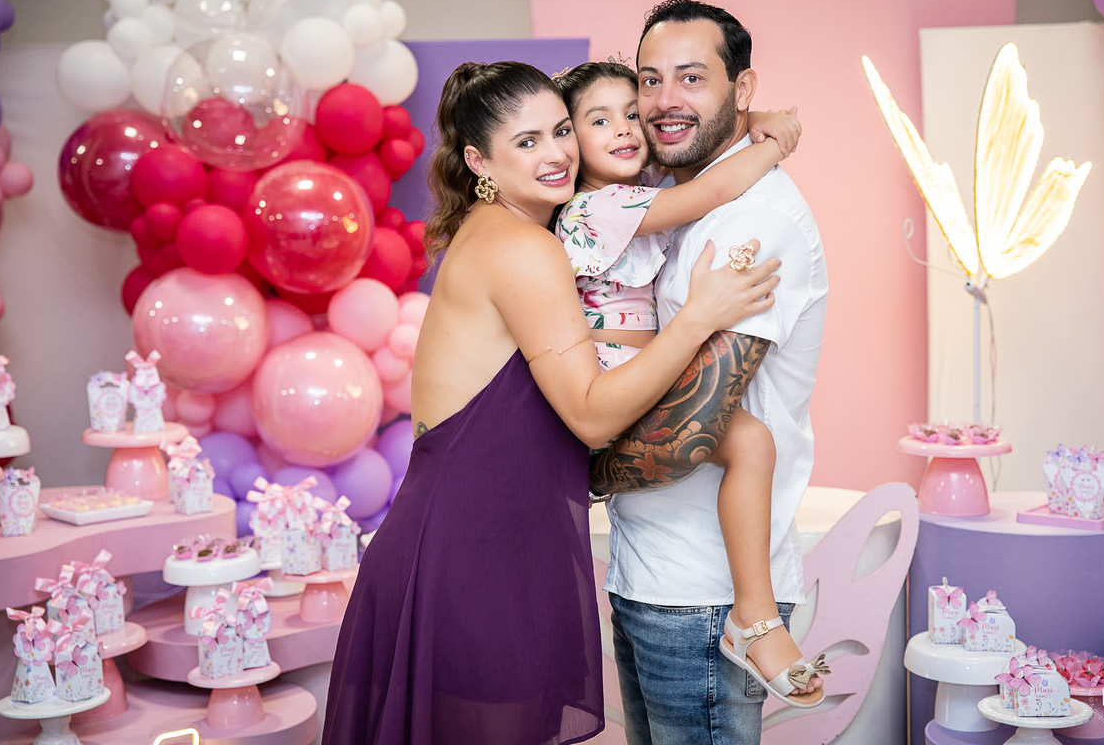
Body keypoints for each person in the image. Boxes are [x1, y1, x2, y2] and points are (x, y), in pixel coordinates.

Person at [320, 60, 781, 745]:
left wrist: (746, 125)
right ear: (479, 161)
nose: (557, 153)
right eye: (527, 141)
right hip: (472, 553)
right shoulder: (523, 249)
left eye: (562, 131)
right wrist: (698, 318)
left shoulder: (511, 230)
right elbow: (593, 416)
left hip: (469, 539)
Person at [588, 0, 830, 743]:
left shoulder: (755, 222)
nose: (664, 100)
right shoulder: (656, 196)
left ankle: (757, 622)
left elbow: (691, 431)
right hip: (649, 574)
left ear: (741, 88)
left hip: (705, 595)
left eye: (691, 78)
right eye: (650, 80)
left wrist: (583, 468)